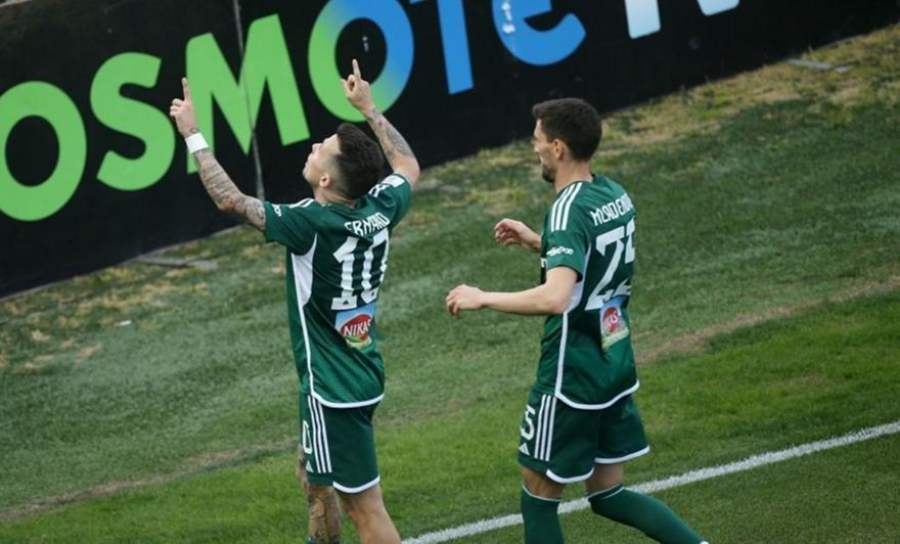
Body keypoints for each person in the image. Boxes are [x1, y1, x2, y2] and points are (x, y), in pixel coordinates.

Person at [170, 59, 419, 544]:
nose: (313, 148)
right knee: (315, 480)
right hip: (361, 372)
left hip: (332, 389)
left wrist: (193, 134)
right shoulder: (382, 206)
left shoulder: (312, 225)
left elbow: (231, 201)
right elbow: (407, 166)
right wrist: (370, 109)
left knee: (365, 510)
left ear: (326, 181)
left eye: (321, 150)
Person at [446, 98, 706, 544]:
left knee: (538, 497)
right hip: (613, 361)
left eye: (538, 141)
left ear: (559, 147)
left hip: (572, 375)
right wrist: (541, 243)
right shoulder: (613, 193)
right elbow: (595, 260)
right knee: (608, 493)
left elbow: (556, 297)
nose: (535, 149)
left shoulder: (567, 210)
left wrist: (483, 297)